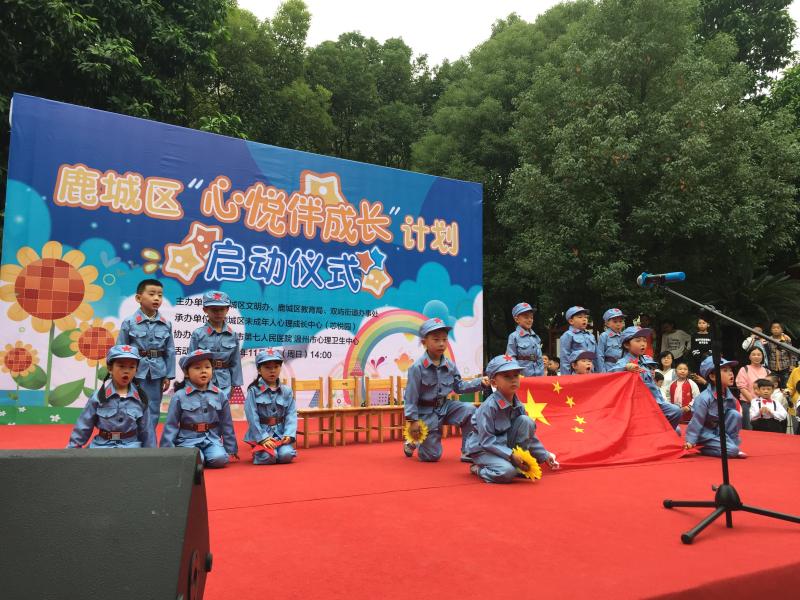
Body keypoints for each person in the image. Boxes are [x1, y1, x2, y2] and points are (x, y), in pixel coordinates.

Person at [403, 318, 488, 462]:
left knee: (470, 410)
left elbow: (459, 387)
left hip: (446, 407)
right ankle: (413, 441)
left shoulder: (450, 365)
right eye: (436, 340)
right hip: (426, 412)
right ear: (424, 342)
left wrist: (480, 383)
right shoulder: (417, 368)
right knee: (431, 457)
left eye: (444, 339)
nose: (441, 343)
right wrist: (413, 421)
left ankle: (468, 450)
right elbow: (411, 397)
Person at [465, 355, 559, 483]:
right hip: (484, 449)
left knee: (526, 421)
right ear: (494, 383)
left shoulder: (518, 404)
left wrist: (545, 455)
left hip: (504, 445)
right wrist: (510, 455)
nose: (513, 380)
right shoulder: (488, 407)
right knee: (507, 472)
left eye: (516, 375)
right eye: (507, 376)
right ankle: (478, 469)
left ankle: (516, 463)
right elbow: (486, 441)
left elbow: (529, 435)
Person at [160, 349, 238, 468]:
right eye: (197, 368)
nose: (203, 371)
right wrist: (167, 452)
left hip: (211, 439)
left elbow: (226, 423)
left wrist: (230, 448)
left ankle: (205, 456)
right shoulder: (179, 396)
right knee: (196, 460)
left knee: (220, 459)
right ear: (186, 373)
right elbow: (171, 424)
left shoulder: (220, 394)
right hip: (187, 441)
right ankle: (199, 457)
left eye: (207, 367)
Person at [117, 278, 175, 434]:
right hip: (135, 372)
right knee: (131, 404)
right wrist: (122, 373)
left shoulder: (166, 324)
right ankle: (130, 436)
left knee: (153, 406)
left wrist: (168, 375)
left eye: (160, 295)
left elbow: (170, 351)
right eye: (151, 294)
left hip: (157, 373)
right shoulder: (129, 322)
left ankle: (149, 439)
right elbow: (121, 349)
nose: (156, 298)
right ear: (138, 298)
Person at [68, 345, 155, 448]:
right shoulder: (98, 397)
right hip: (102, 446)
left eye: (132, 367)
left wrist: (151, 454)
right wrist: (72, 450)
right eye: (121, 366)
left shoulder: (141, 398)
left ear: (136, 370)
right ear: (110, 368)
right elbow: (84, 426)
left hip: (131, 447)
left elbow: (147, 431)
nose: (126, 371)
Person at [609, 326, 682, 432]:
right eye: (638, 341)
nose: (643, 344)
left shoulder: (647, 359)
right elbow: (611, 375)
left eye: (644, 340)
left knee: (676, 420)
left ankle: (663, 433)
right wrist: (625, 367)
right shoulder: (623, 362)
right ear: (626, 345)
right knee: (675, 415)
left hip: (656, 400)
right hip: (638, 404)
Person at [243, 348, 297, 465]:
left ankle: (276, 450)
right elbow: (252, 417)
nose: (272, 371)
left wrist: (289, 434)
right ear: (259, 370)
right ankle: (259, 451)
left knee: (286, 455)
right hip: (262, 433)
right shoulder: (253, 391)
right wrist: (263, 438)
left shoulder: (287, 391)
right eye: (267, 367)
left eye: (276, 367)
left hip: (280, 434)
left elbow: (291, 414)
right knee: (268, 457)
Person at [684, 356, 745, 458]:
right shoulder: (704, 398)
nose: (731, 373)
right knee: (732, 451)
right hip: (705, 434)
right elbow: (696, 421)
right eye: (725, 370)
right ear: (712, 376)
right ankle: (702, 447)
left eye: (730, 370)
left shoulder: (730, 397)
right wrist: (690, 441)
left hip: (720, 431)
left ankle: (732, 445)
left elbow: (732, 421)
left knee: (735, 414)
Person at [187, 291, 243, 398]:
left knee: (222, 407)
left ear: (227, 310)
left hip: (225, 382)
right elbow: (190, 360)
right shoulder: (198, 334)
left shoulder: (233, 335)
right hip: (202, 380)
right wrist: (190, 381)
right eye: (214, 309)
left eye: (222, 309)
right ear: (205, 310)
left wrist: (235, 385)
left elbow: (235, 361)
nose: (218, 313)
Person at [734, 346, 770, 431]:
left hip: (764, 404)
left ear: (763, 356)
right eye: (753, 354)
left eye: (759, 354)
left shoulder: (767, 371)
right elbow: (742, 388)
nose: (756, 356)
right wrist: (754, 402)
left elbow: (770, 388)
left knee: (764, 430)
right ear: (749, 356)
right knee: (749, 429)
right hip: (748, 404)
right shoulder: (744, 369)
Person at [505, 302, 544, 376]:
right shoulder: (514, 336)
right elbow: (510, 358)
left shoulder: (536, 337)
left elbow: (539, 358)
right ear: (517, 319)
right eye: (526, 317)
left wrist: (542, 374)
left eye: (531, 317)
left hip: (539, 374)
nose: (530, 320)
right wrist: (515, 374)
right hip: (523, 375)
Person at [559, 306, 597, 374]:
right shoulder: (567, 335)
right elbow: (565, 358)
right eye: (580, 317)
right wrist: (566, 377)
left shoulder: (591, 336)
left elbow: (596, 356)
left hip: (591, 372)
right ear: (571, 321)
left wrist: (600, 374)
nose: (584, 319)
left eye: (586, 317)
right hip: (576, 374)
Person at [765, 321, 796, 388]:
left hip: (785, 367)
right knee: (772, 385)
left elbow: (792, 353)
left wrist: (792, 365)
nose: (776, 329)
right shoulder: (768, 340)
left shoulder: (786, 340)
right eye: (773, 328)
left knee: (785, 385)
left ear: (782, 330)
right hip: (772, 367)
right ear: (771, 330)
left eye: (778, 328)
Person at [596, 308, 626, 372]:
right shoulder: (604, 336)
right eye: (615, 322)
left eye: (620, 321)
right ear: (607, 323)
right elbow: (600, 355)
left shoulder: (624, 336)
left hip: (622, 367)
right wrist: (602, 372)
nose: (618, 324)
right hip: (609, 368)